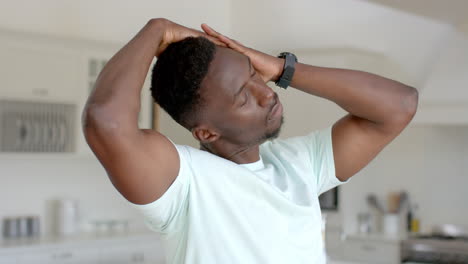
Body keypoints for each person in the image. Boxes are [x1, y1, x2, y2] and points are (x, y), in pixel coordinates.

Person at [82, 18, 418, 264]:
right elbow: (106, 121)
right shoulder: (184, 183)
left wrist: (280, 69)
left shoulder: (299, 164)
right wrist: (156, 30)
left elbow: (399, 106)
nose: (265, 94)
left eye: (253, 74)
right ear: (207, 132)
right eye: (243, 96)